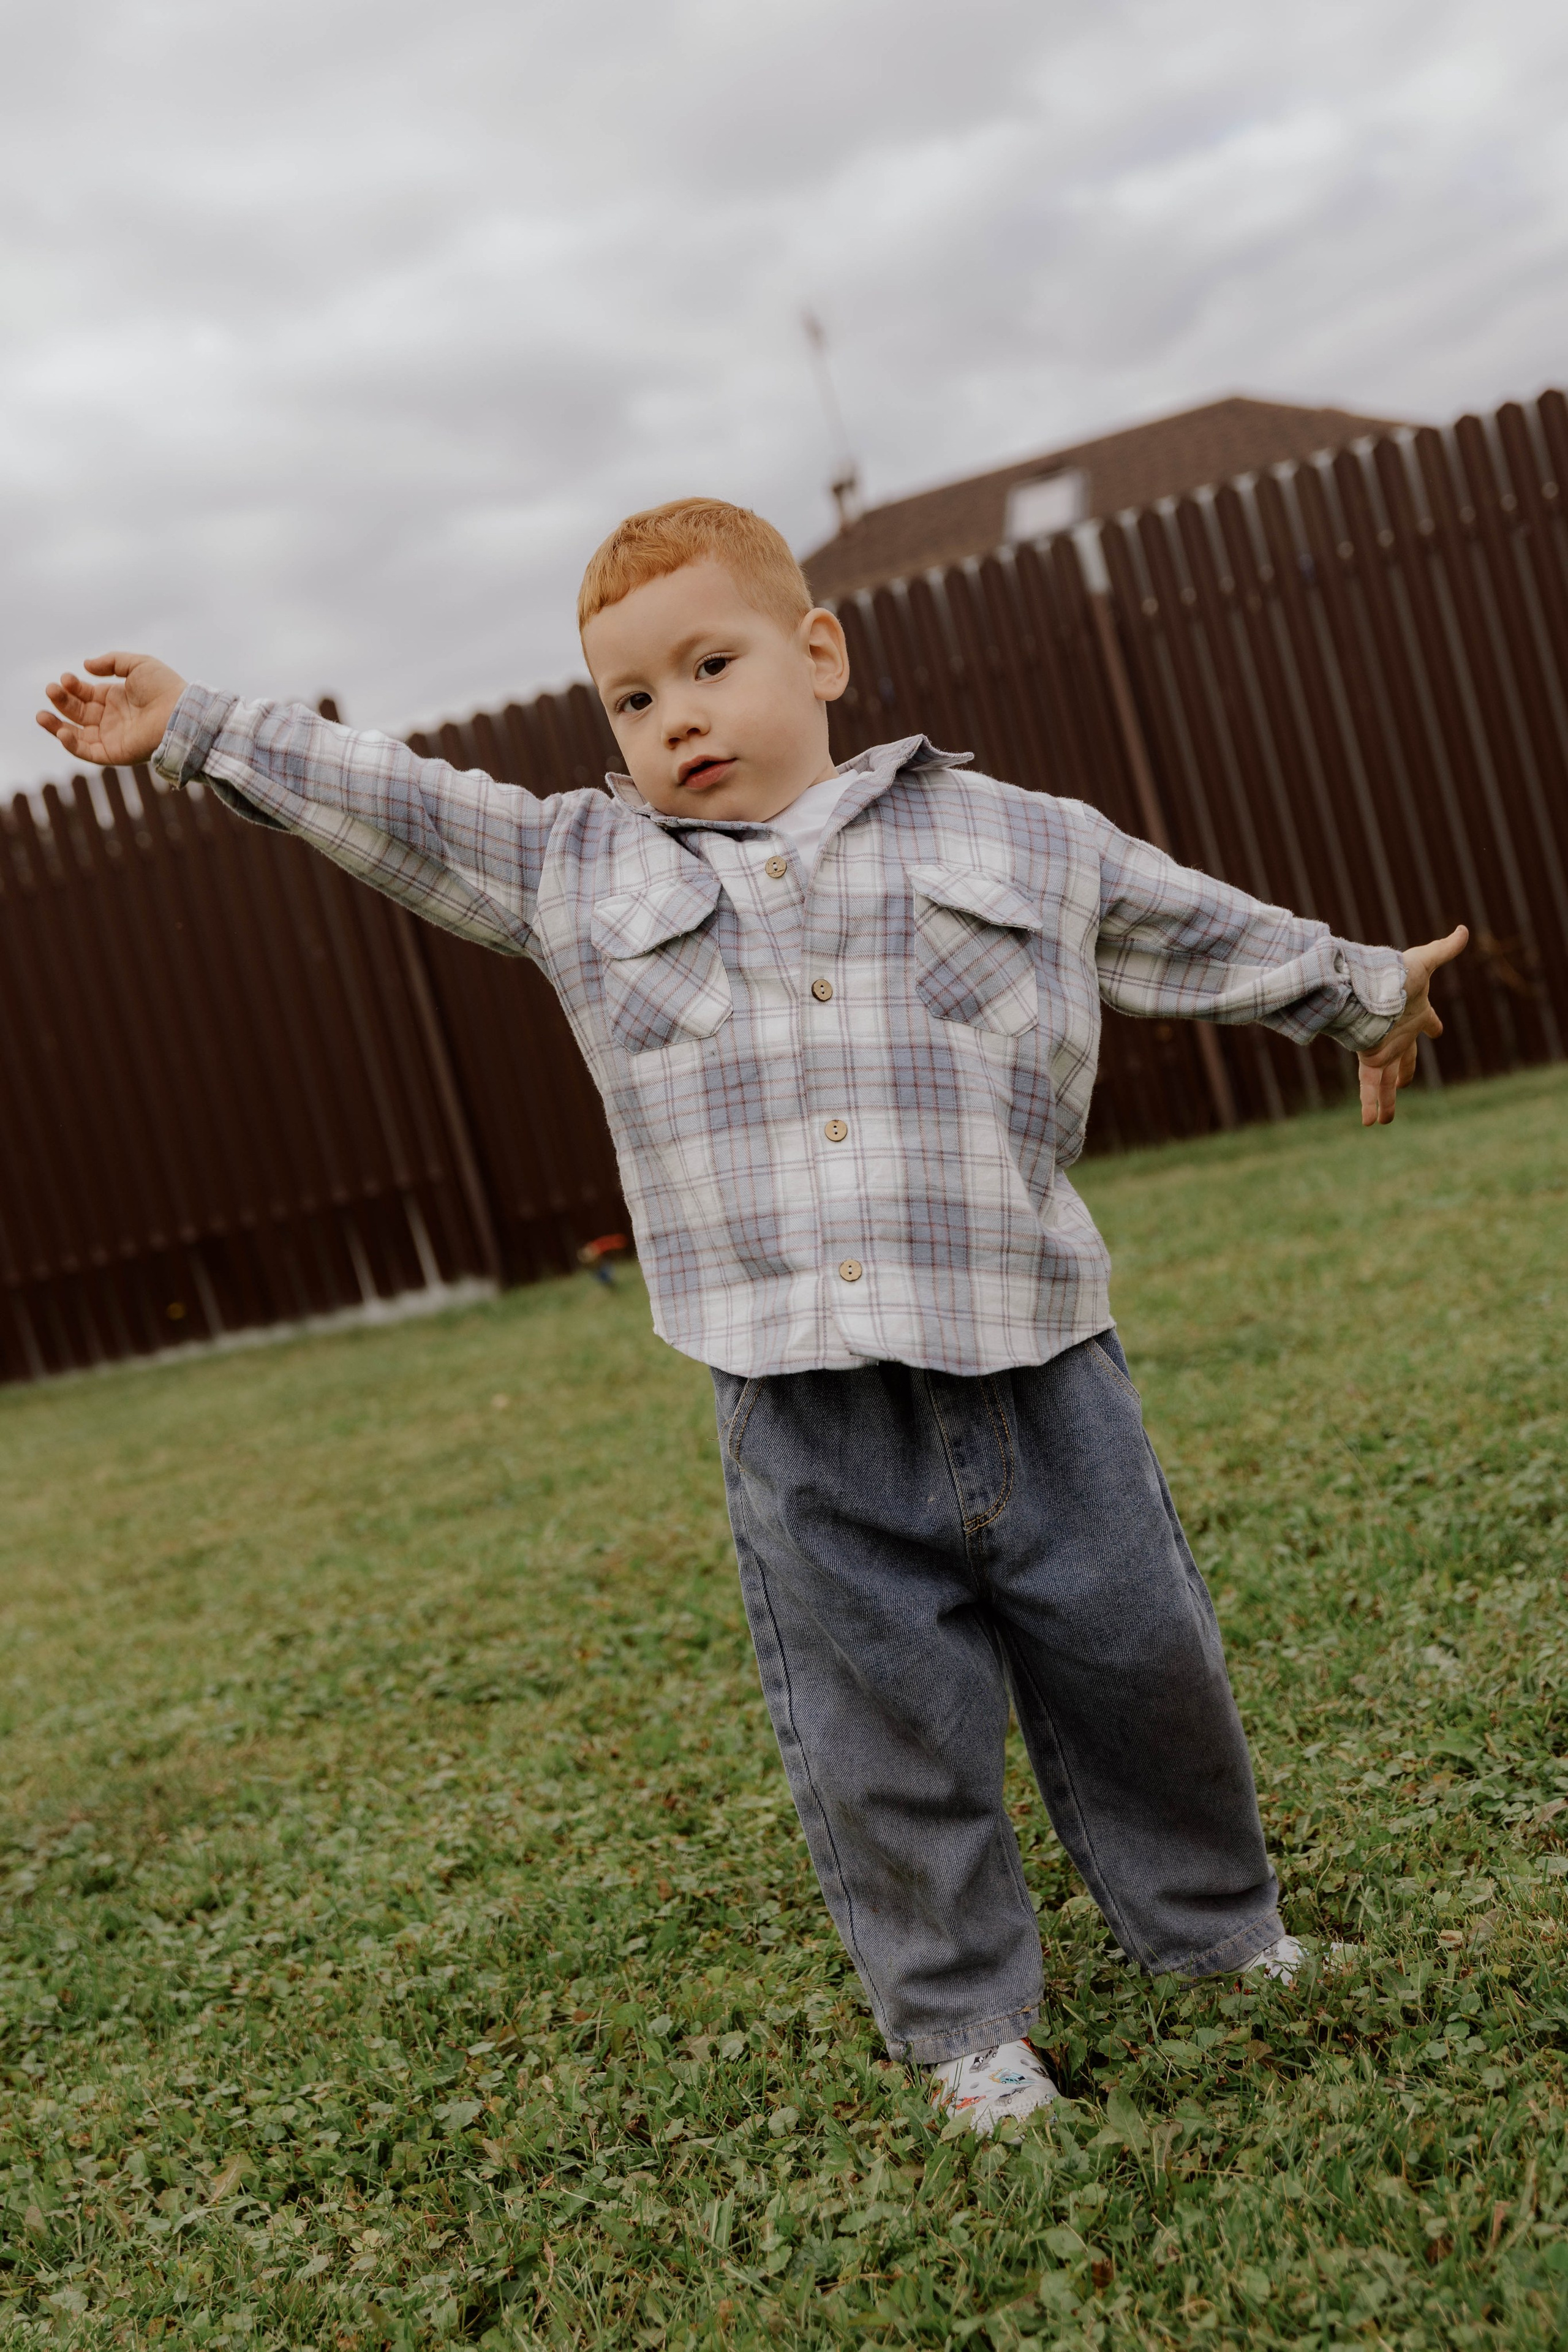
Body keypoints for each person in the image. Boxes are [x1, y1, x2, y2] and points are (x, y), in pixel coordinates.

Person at [38, 500, 1466, 2137]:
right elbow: (405, 807)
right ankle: (967, 2029)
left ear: (820, 654)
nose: (678, 719)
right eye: (634, 703)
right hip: (802, 1411)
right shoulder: (581, 870)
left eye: (709, 667)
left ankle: (1218, 1937)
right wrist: (198, 729)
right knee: (886, 1731)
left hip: (1041, 1362)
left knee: (1145, 1665)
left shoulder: (1013, 837)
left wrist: (1360, 988)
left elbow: (1185, 922)